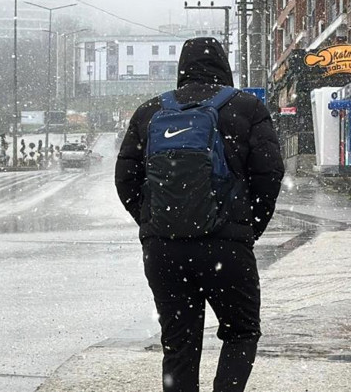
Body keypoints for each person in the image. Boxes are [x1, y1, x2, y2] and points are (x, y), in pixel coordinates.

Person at [115, 37, 284, 392]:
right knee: (241, 332)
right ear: (224, 66)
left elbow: (126, 178)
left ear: (181, 69)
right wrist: (247, 227)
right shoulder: (247, 108)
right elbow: (269, 174)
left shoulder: (149, 112)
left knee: (178, 343)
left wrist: (154, 224)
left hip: (164, 250)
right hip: (226, 247)